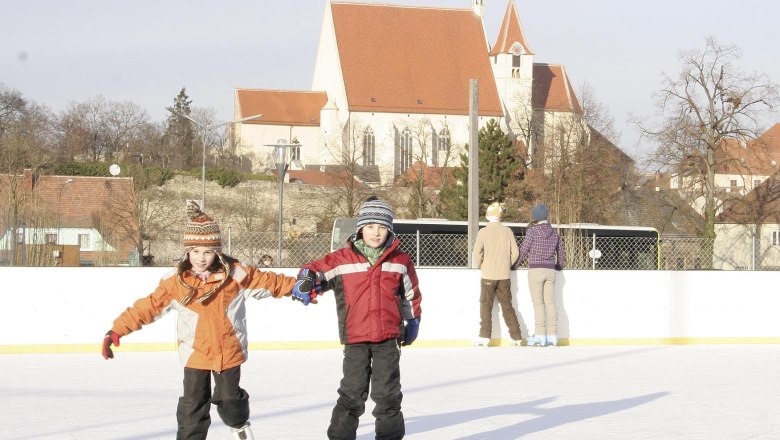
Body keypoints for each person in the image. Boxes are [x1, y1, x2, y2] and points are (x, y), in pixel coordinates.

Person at [101, 201, 297, 440]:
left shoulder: (234, 273)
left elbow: (269, 281)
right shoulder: (176, 281)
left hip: (228, 351)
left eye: (207, 252)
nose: (201, 258)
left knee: (229, 399)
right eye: (195, 251)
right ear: (187, 251)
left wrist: (299, 287)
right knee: (192, 405)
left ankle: (239, 423)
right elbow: (149, 306)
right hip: (195, 352)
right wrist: (117, 330)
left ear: (217, 252)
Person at [291, 196, 422, 440]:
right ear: (361, 228)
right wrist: (306, 279)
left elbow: (411, 295)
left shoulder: (401, 260)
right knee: (352, 393)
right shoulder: (342, 259)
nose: (376, 233)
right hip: (355, 338)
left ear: (390, 230)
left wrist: (413, 320)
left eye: (383, 227)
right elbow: (313, 269)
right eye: (371, 226)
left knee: (388, 395)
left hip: (388, 339)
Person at [513, 203, 566, 347]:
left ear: (535, 217)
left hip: (536, 269)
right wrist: (559, 266)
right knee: (550, 302)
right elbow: (561, 252)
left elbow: (523, 250)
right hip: (550, 270)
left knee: (538, 303)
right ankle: (553, 335)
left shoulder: (532, 231)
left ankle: (540, 334)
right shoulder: (554, 232)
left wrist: (514, 265)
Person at [472, 202, 523, 347]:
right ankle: (516, 336)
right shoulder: (508, 231)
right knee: (507, 306)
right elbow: (516, 252)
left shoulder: (483, 232)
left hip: (488, 274)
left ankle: (484, 336)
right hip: (504, 275)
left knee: (485, 305)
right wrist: (508, 264)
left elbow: (477, 252)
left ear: (488, 216)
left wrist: (480, 264)